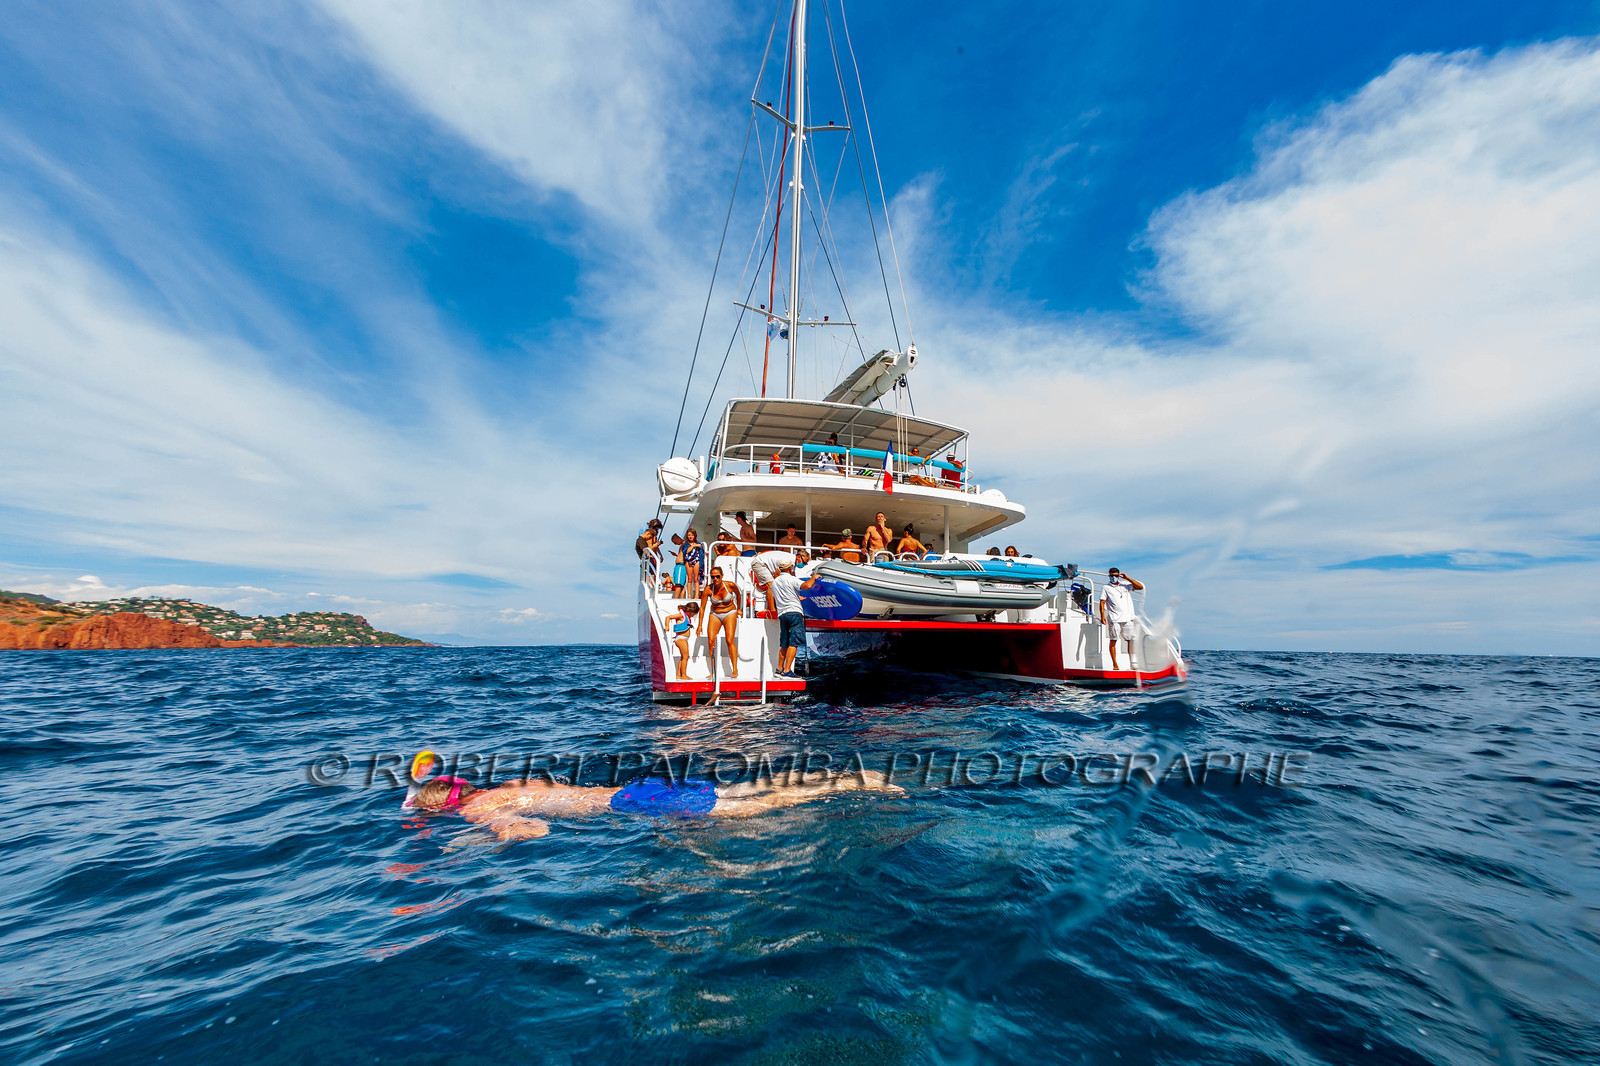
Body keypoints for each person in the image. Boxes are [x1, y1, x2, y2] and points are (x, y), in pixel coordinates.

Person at [406, 768, 905, 840]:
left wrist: (483, 841)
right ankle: (837, 775)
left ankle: (850, 785)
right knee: (741, 790)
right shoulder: (509, 782)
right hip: (635, 788)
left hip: (628, 807)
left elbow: (535, 830)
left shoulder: (476, 811)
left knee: (751, 810)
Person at [769, 558, 819, 676]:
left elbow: (783, 595)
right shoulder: (791, 579)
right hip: (794, 613)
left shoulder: (774, 582)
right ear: (790, 568)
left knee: (784, 643)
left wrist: (797, 597)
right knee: (794, 642)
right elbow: (807, 586)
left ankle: (779, 669)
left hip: (782, 614)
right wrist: (814, 578)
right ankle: (787, 670)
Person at [1098, 567, 1145, 670]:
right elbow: (1102, 602)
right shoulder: (1106, 587)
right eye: (1111, 576)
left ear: (1119, 575)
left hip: (1127, 618)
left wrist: (1127, 578)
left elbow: (1140, 587)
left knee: (1130, 640)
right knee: (1113, 640)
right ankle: (1115, 664)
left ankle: (1132, 664)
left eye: (1115, 576)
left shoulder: (1125, 585)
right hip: (1114, 619)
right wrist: (1102, 616)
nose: (1113, 577)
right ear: (1109, 576)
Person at [700, 568, 741, 679]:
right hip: (715, 614)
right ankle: (713, 671)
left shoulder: (730, 585)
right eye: (713, 577)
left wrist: (739, 609)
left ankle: (735, 669)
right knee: (711, 641)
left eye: (717, 576)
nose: (715, 579)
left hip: (730, 612)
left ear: (722, 575)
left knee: (729, 640)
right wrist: (699, 625)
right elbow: (702, 608)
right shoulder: (708, 589)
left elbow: (738, 595)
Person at [663, 602, 700, 680]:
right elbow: (668, 617)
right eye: (693, 614)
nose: (693, 616)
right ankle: (684, 674)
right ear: (689, 611)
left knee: (683, 657)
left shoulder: (686, 617)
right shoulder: (681, 615)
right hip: (681, 638)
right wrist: (667, 626)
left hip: (684, 639)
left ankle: (678, 675)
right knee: (686, 657)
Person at [681, 528, 704, 597]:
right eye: (689, 535)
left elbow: (701, 553)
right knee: (689, 579)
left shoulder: (698, 543)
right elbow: (686, 551)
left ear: (694, 535)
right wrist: (693, 546)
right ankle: (689, 595)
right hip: (688, 560)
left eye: (692, 535)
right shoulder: (685, 544)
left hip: (696, 559)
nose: (690, 537)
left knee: (696, 578)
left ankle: (696, 595)